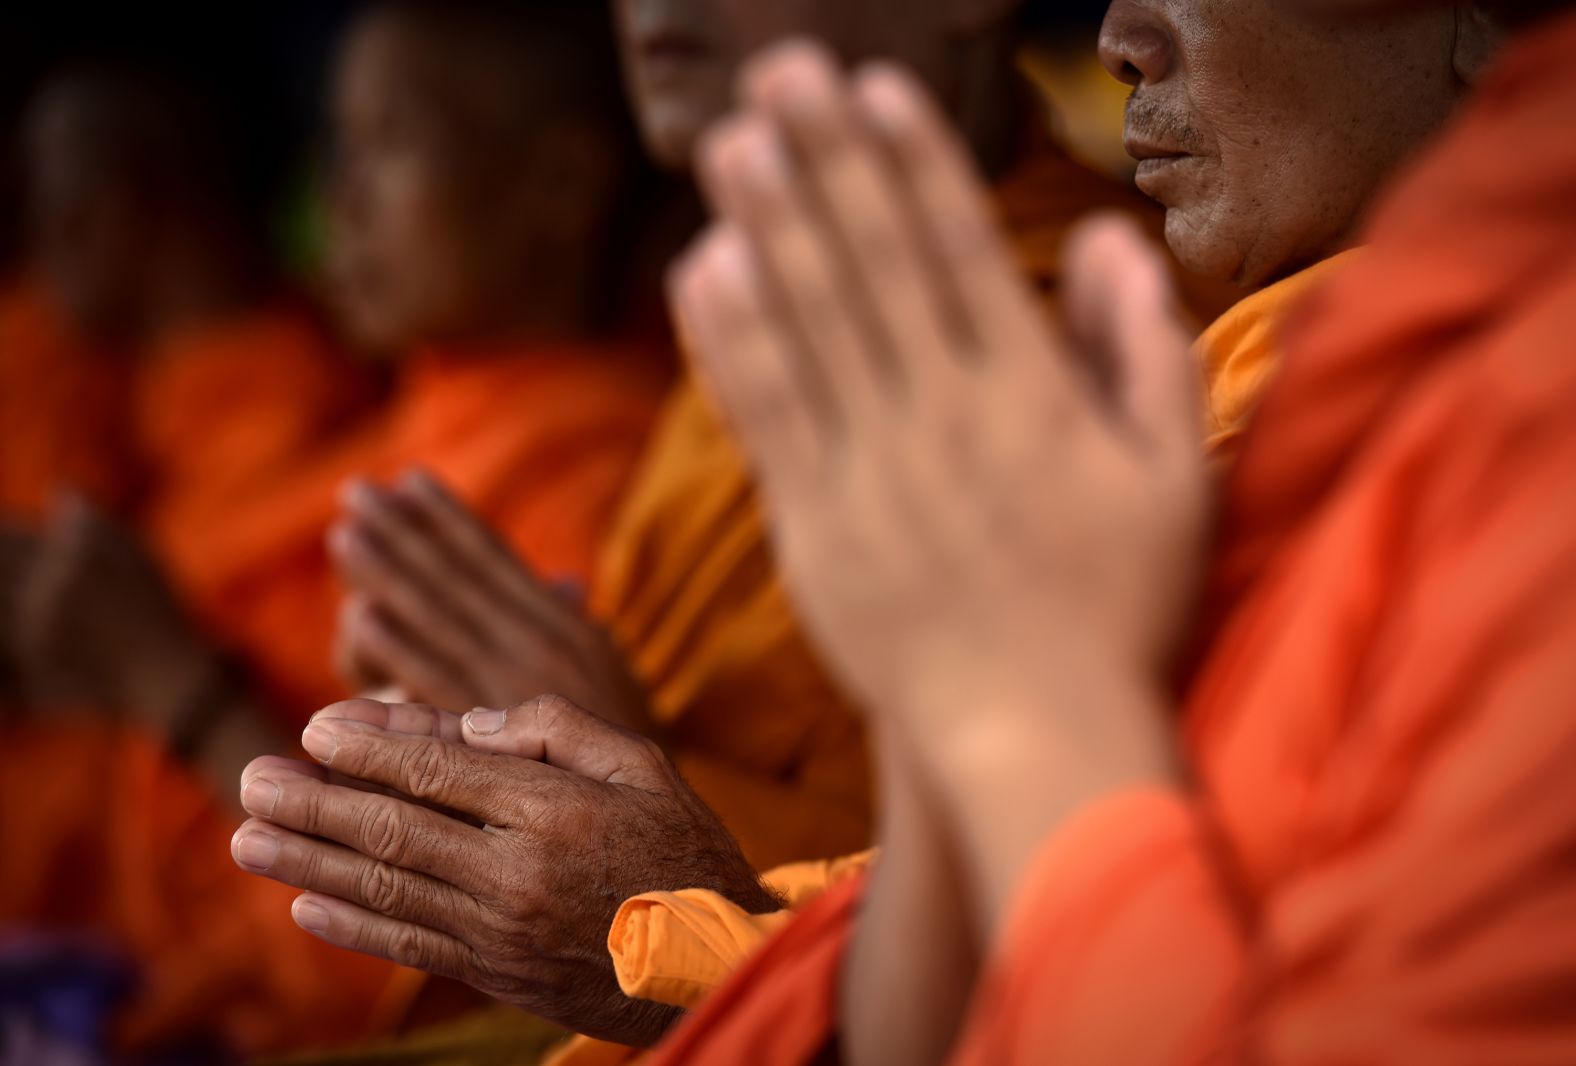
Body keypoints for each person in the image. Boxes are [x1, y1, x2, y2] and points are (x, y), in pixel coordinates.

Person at [234, 0, 1491, 1060]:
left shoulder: (1115, 350)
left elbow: (1133, 936)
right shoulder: (747, 338)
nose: (1118, 34)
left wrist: (673, 908)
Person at [648, 5, 1576, 1061]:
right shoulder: (1280, 384)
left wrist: (1010, 713)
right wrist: (958, 696)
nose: (1118, 38)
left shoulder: (1526, 417)